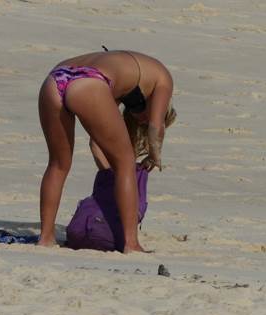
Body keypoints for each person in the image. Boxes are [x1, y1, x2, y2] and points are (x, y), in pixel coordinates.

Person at [38, 48, 176, 253]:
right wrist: (155, 157)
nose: (144, 121)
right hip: (90, 81)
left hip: (55, 77)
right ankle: (131, 243)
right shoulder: (164, 78)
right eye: (145, 119)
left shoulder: (123, 80)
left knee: (58, 165)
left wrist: (109, 171)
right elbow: (156, 127)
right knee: (126, 163)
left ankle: (45, 238)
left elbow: (95, 144)